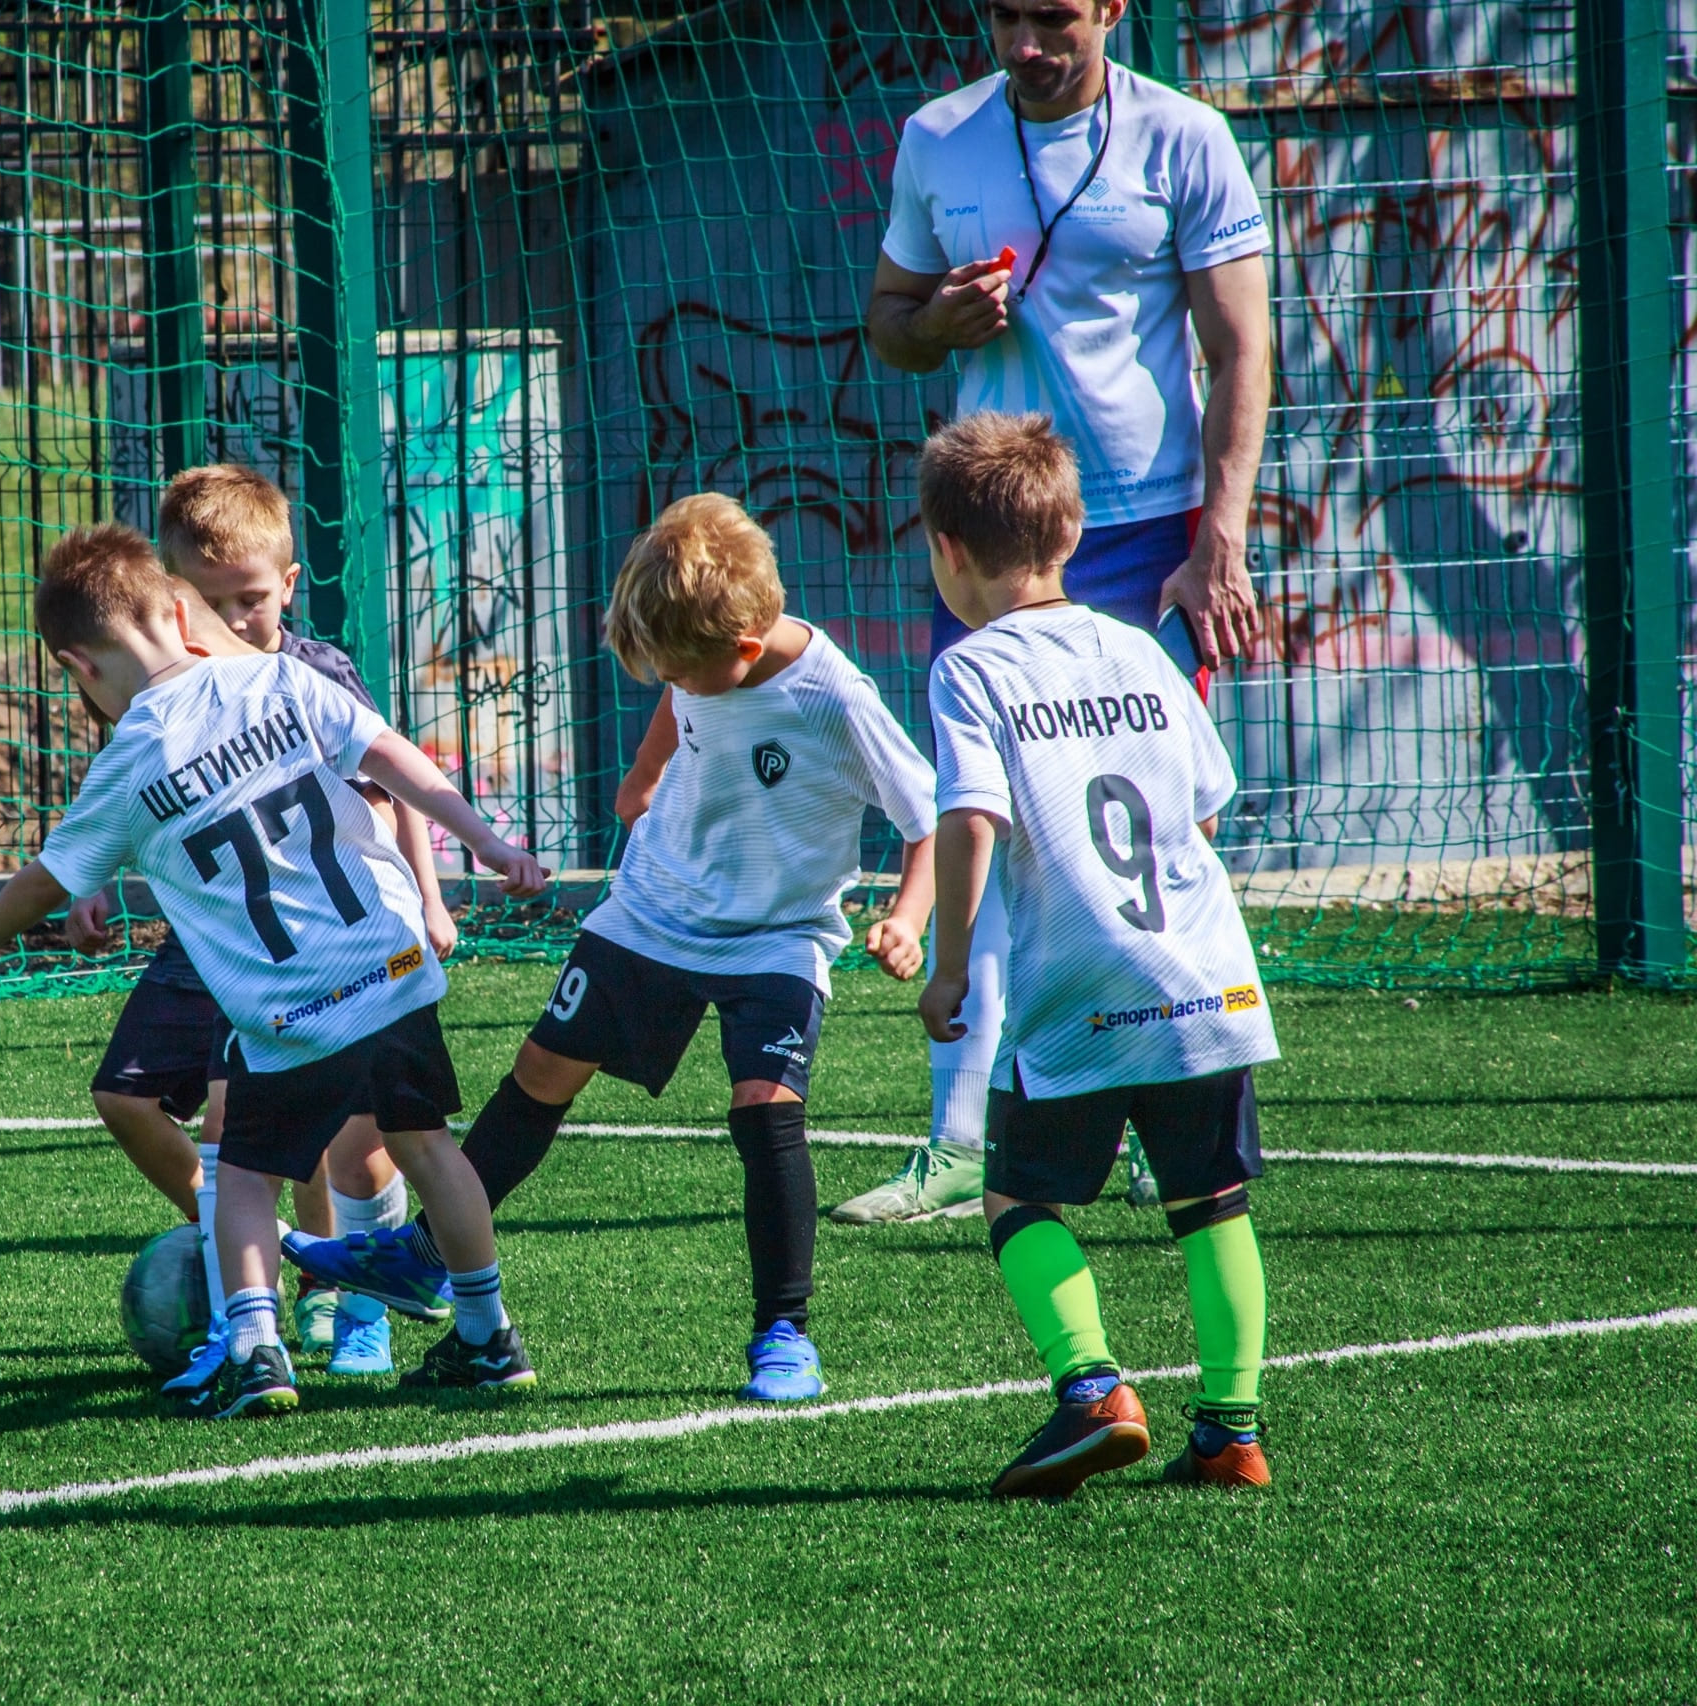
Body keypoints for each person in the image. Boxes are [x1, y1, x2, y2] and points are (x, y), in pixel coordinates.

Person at [288, 494, 939, 1402]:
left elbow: (927, 817)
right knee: (541, 1073)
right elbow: (679, 702)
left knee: (767, 1108)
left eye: (682, 672)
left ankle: (784, 1333)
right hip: (653, 908)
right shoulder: (702, 660)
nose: (673, 684)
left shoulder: (834, 699)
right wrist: (643, 775)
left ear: (746, 647)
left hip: (778, 934)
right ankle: (425, 1255)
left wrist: (908, 917)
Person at [0, 524, 550, 1417]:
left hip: (291, 1010)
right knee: (428, 1146)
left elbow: (44, 883)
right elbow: (392, 756)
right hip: (390, 965)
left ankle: (258, 1354)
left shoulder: (127, 762)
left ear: (77, 666)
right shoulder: (281, 679)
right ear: (180, 612)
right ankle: (490, 1337)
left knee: (244, 1174)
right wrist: (486, 842)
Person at [839, 0, 1272, 1225]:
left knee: (1159, 827)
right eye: (1005, 17)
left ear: (1112, 10)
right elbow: (889, 324)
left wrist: (1220, 539)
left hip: (1146, 535)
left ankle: (1157, 1107)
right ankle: (954, 1137)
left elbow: (1241, 348)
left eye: (1055, 18)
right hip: (994, 539)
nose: (1026, 44)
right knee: (984, 818)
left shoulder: (1184, 138)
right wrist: (936, 324)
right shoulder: (937, 136)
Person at [916, 412, 1276, 1497]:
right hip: (1204, 973)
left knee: (1014, 1196)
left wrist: (947, 964)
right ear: (1070, 532)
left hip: (1080, 982)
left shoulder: (970, 669)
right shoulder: (1140, 651)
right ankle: (1232, 1430)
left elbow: (969, 818)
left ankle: (1091, 1387)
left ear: (946, 549)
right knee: (1213, 1200)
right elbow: (1203, 809)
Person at [68, 465, 454, 1379]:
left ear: (287, 585)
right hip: (215, 942)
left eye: (248, 600)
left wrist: (431, 897)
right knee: (135, 1099)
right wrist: (89, 884)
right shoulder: (157, 681)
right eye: (209, 603)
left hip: (324, 942)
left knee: (342, 1140)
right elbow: (125, 804)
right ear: (171, 601)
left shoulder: (308, 675)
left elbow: (390, 785)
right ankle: (260, 1277)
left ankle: (348, 1305)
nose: (232, 622)